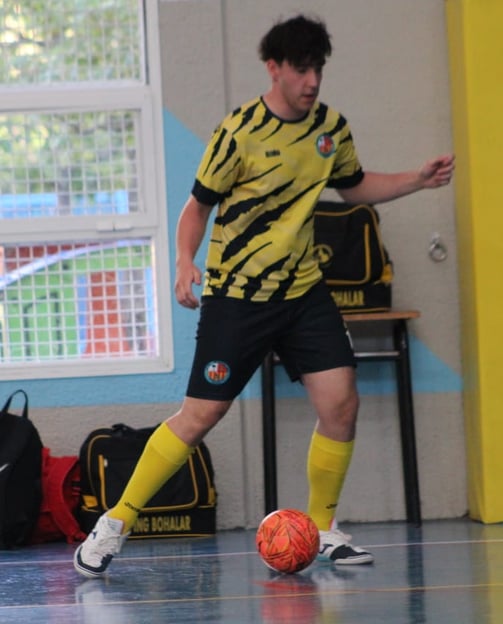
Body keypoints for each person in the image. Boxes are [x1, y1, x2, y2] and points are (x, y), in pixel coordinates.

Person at [74, 14, 454, 578]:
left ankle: (322, 527)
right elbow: (197, 207)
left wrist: (416, 180)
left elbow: (353, 186)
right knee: (201, 415)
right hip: (237, 297)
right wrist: (184, 261)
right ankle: (115, 522)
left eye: (318, 69)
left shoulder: (330, 129)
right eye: (301, 69)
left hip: (303, 293)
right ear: (274, 68)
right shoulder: (239, 132)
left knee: (341, 403)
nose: (312, 81)